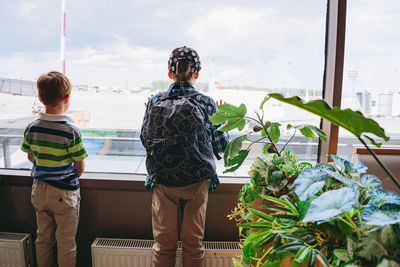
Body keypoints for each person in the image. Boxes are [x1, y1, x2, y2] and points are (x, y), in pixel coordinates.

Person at [140, 46, 229, 267]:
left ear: (170, 73)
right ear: (196, 74)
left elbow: (145, 139)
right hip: (197, 180)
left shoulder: (154, 100)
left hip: (163, 179)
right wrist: (223, 121)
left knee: (163, 245)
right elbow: (221, 145)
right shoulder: (206, 103)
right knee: (193, 244)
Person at [20, 71, 88, 267]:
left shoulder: (32, 127)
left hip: (39, 190)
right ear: (67, 98)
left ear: (40, 98)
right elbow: (79, 165)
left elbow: (30, 156)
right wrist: (69, 176)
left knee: (43, 239)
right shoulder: (71, 131)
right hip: (64, 192)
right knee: (66, 243)